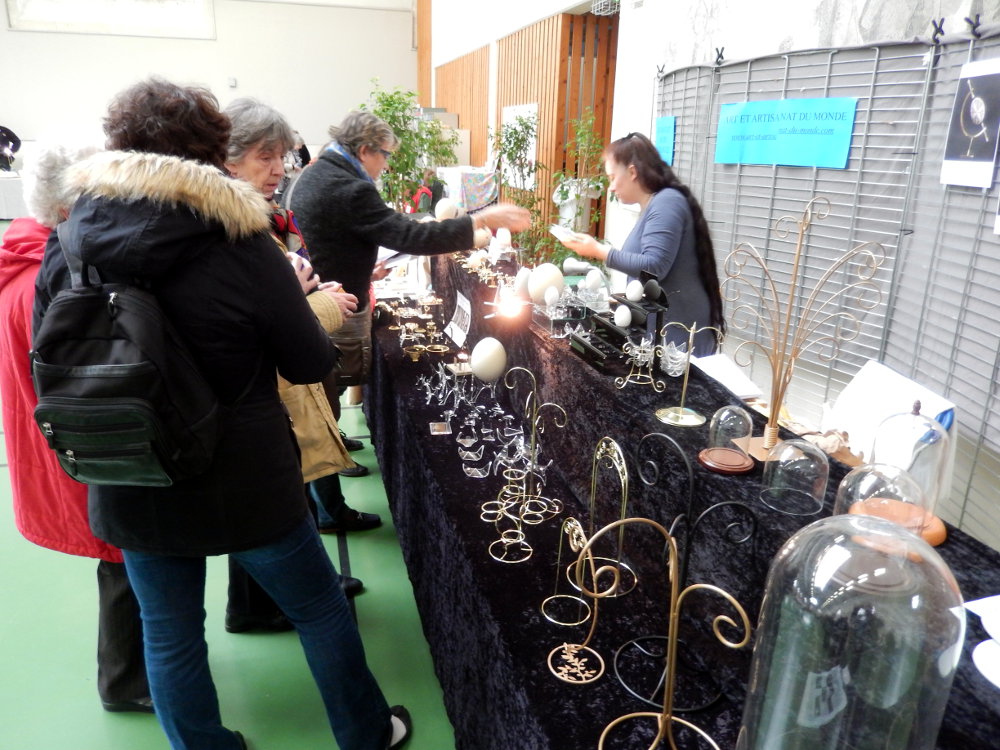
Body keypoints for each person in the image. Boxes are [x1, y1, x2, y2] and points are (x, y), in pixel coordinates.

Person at [34, 78, 410, 750]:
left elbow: (53, 356)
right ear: (214, 150)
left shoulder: (69, 242)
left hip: (134, 467)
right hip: (243, 475)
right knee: (320, 607)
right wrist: (296, 305)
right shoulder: (239, 241)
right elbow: (305, 362)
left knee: (169, 630)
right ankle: (365, 732)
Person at [0, 140, 152, 714]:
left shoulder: (23, 255)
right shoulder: (58, 272)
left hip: (53, 437)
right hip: (85, 441)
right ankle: (126, 681)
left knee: (117, 560)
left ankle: (130, 674)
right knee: (120, 558)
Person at [221, 97, 370, 631]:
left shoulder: (249, 218)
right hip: (258, 396)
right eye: (266, 156)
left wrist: (302, 289)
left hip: (257, 394)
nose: (278, 168)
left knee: (268, 511)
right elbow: (258, 325)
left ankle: (260, 604)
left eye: (281, 155)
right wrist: (319, 303)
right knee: (278, 508)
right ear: (228, 158)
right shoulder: (231, 228)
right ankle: (283, 603)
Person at [556, 132, 725, 355]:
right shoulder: (656, 204)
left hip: (679, 337)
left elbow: (655, 266)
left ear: (633, 172)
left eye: (612, 177)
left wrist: (598, 250)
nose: (611, 187)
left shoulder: (667, 202)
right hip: (665, 332)